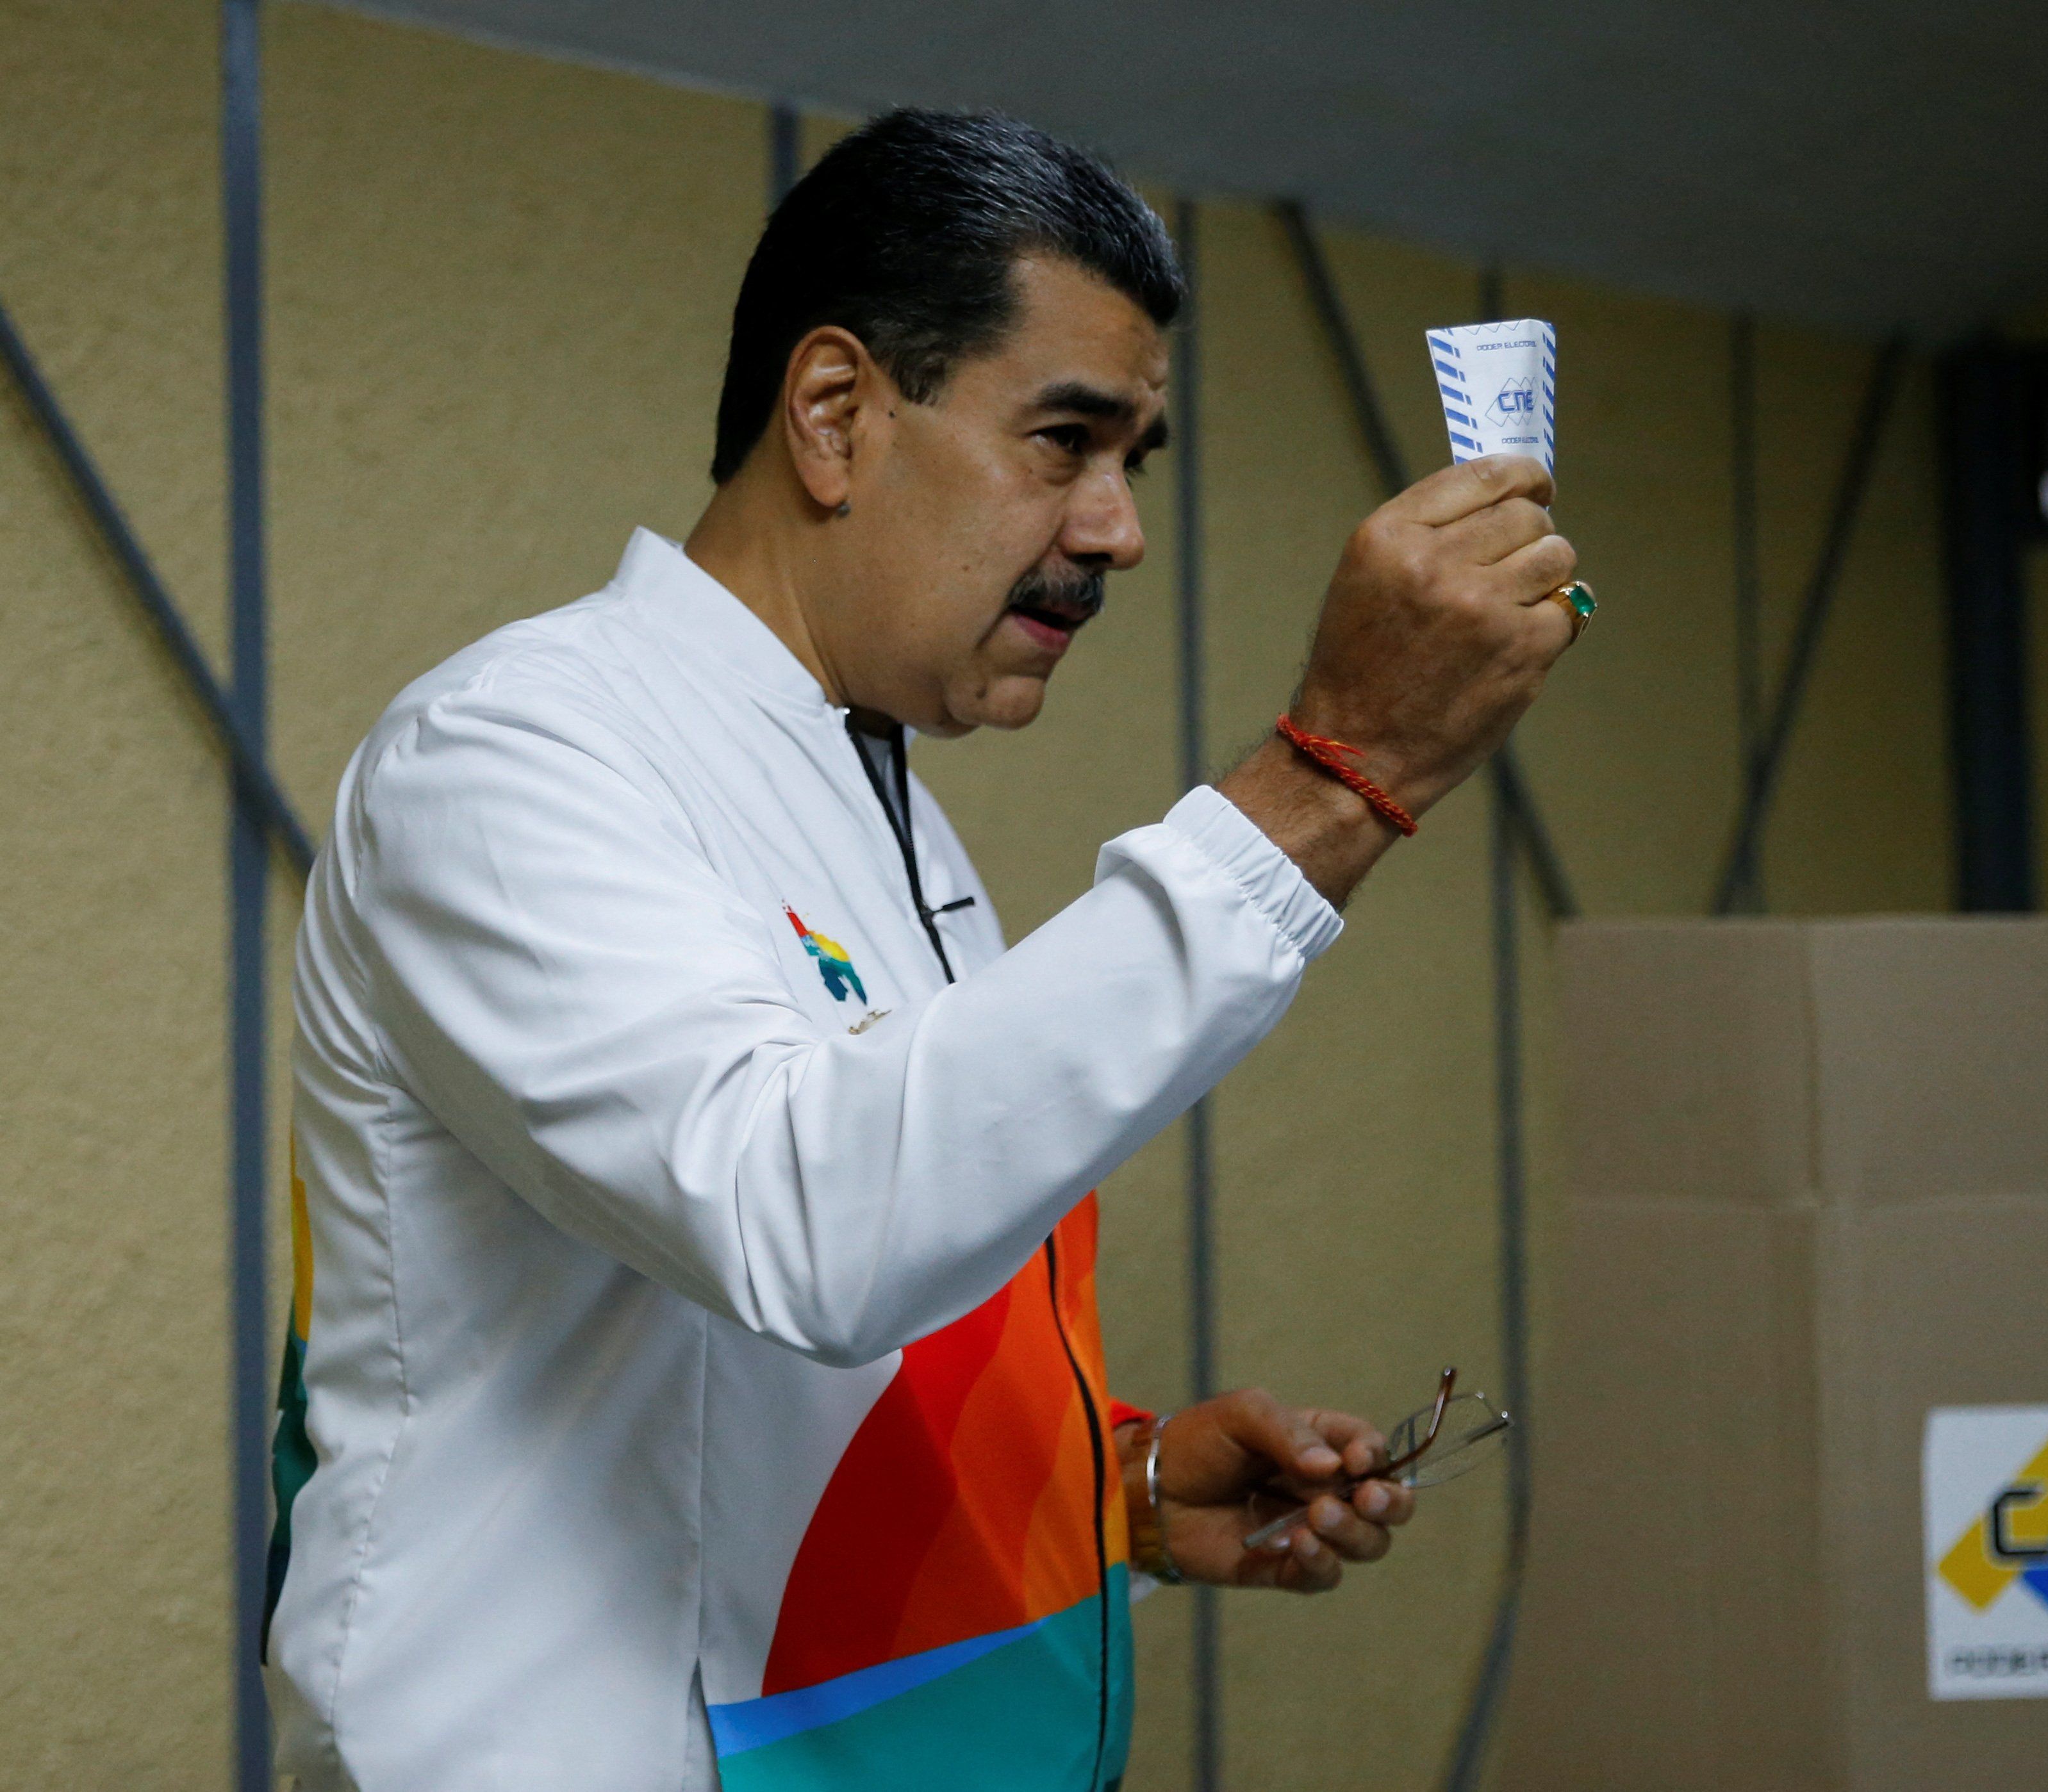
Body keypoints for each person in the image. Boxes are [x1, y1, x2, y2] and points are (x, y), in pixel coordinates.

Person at [262, 108, 1581, 1791]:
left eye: (1134, 462)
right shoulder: (516, 755)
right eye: (1064, 441)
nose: (1116, 530)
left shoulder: (875, 802)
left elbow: (860, 1266)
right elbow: (809, 1225)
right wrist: (1330, 780)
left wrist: (1106, 1493)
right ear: (834, 414)